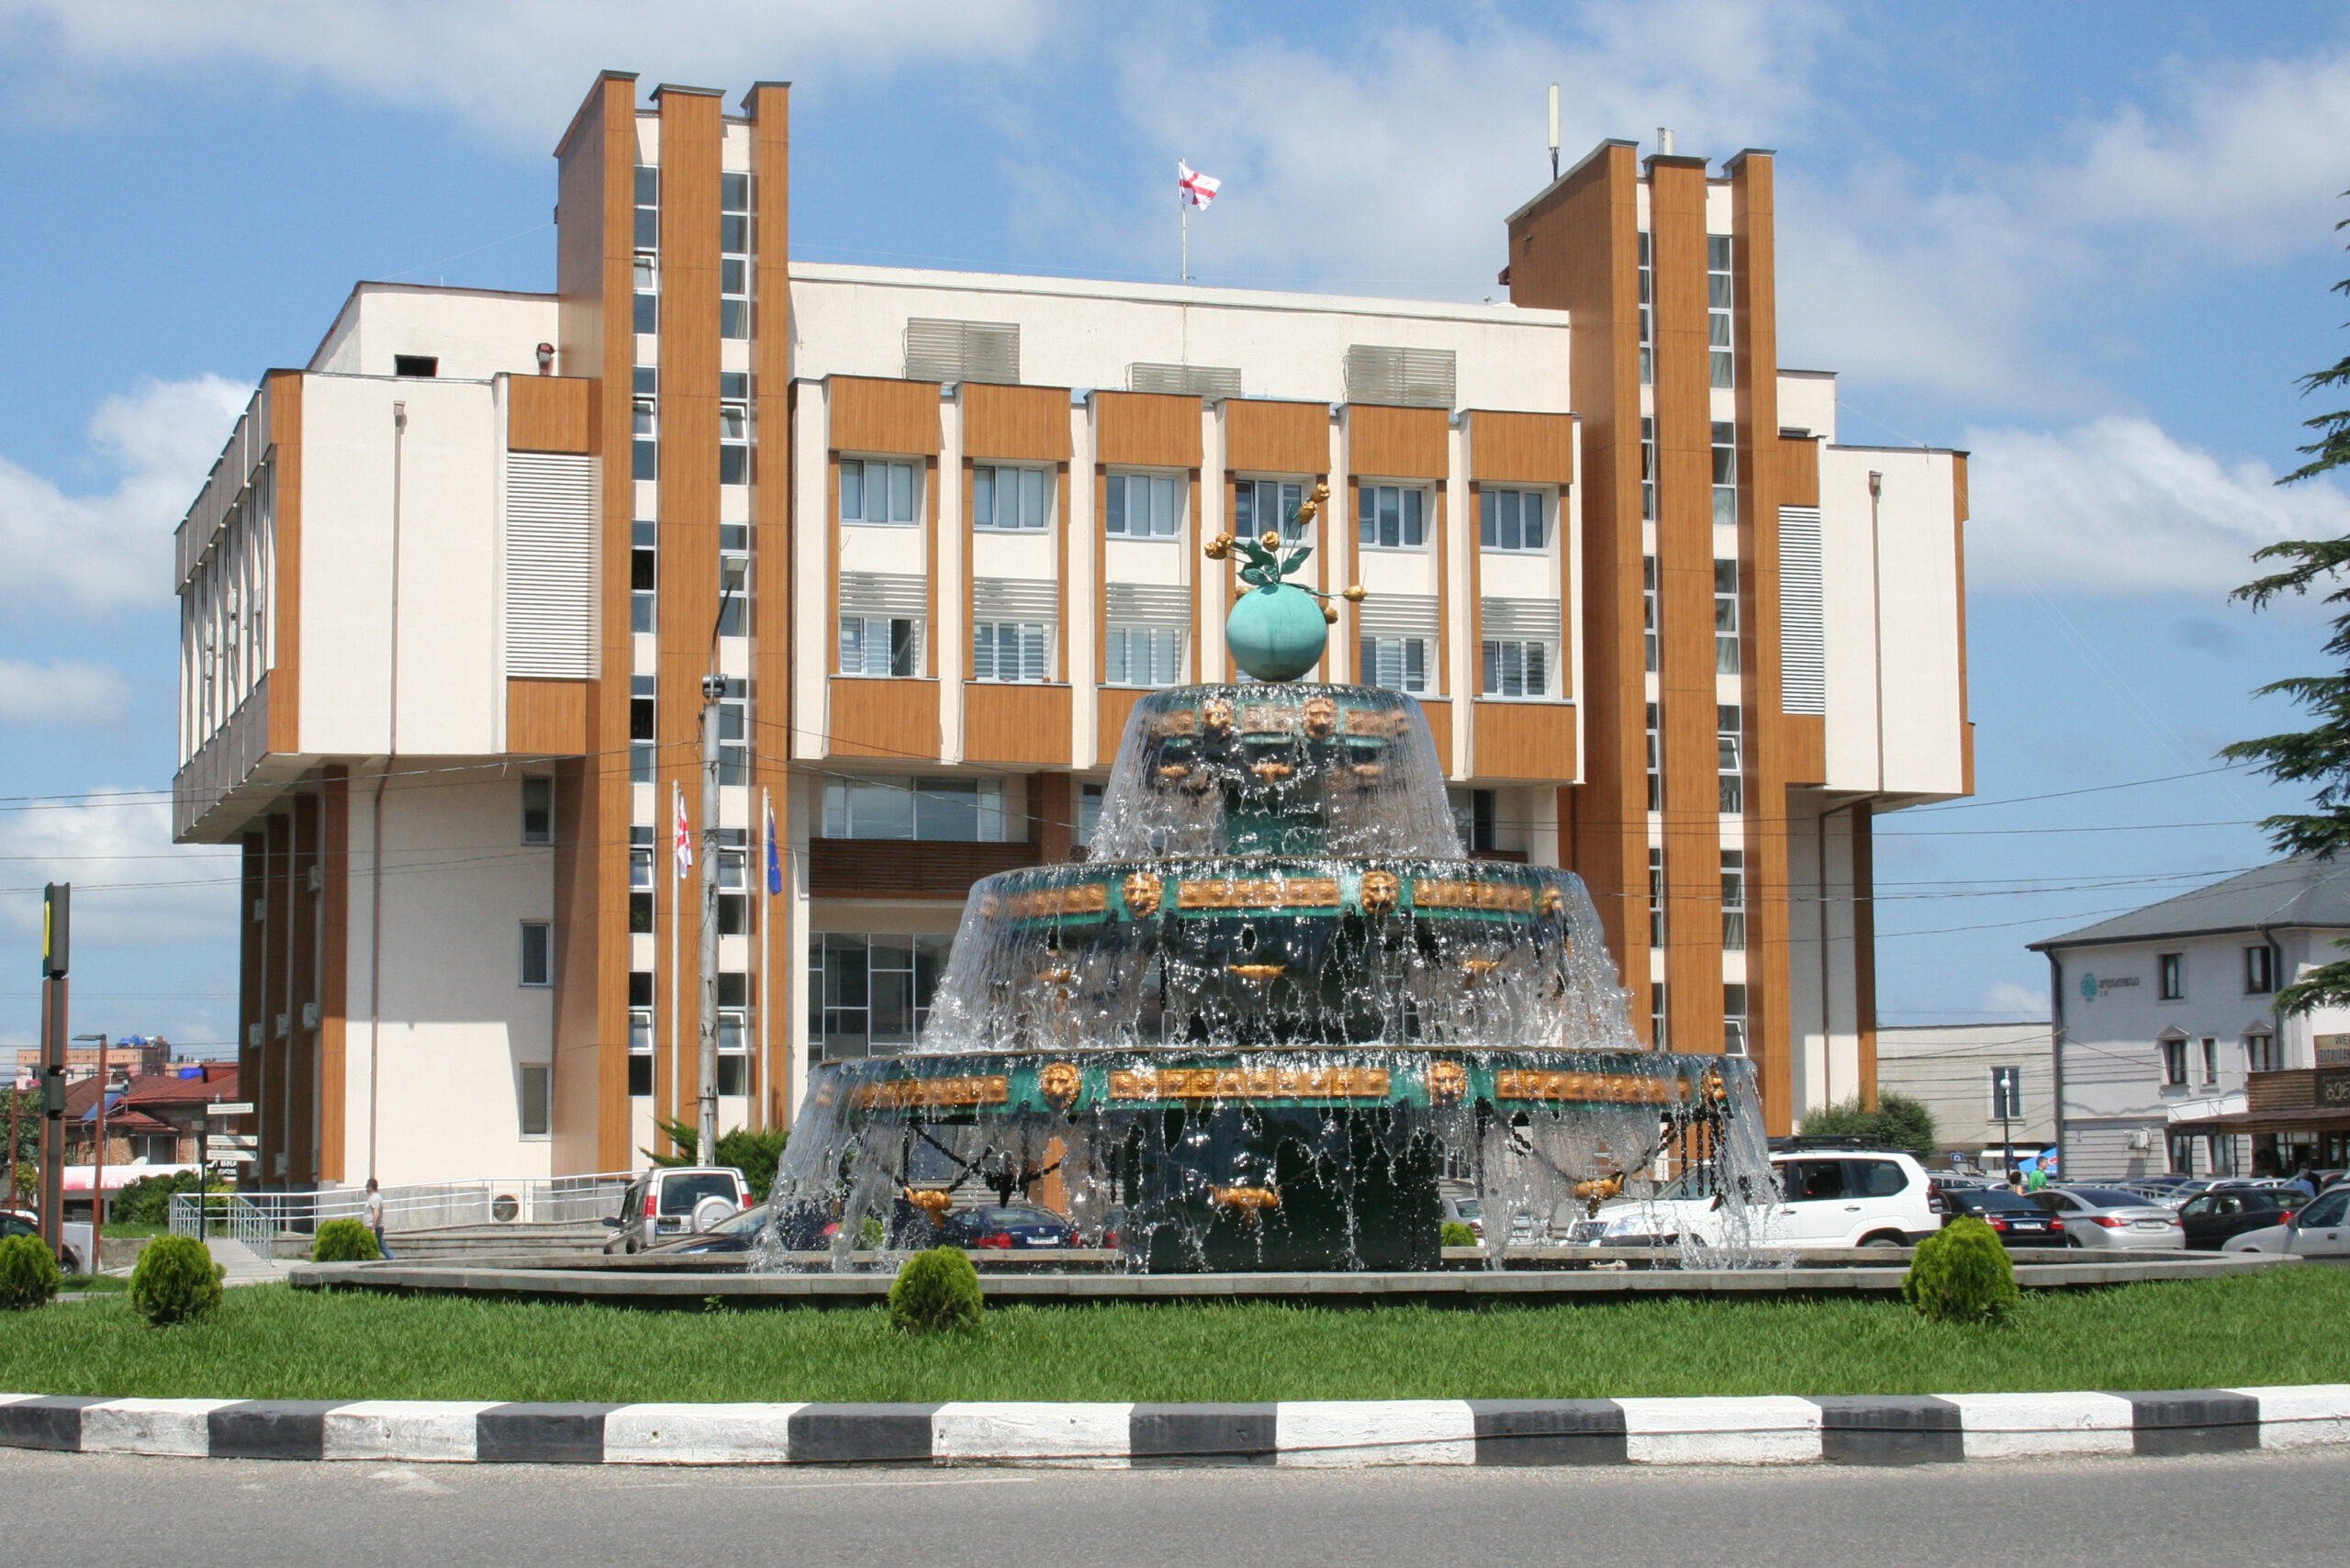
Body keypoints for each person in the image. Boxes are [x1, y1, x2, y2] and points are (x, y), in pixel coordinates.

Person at [364, 1177, 393, 1260]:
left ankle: (392, 1259)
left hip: (374, 1227)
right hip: (375, 1226)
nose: (366, 1188)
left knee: (380, 1246)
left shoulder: (374, 1198)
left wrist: (373, 1228)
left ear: (370, 1187)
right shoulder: (376, 1197)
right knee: (381, 1245)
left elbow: (376, 1213)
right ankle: (392, 1259)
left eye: (367, 1186)